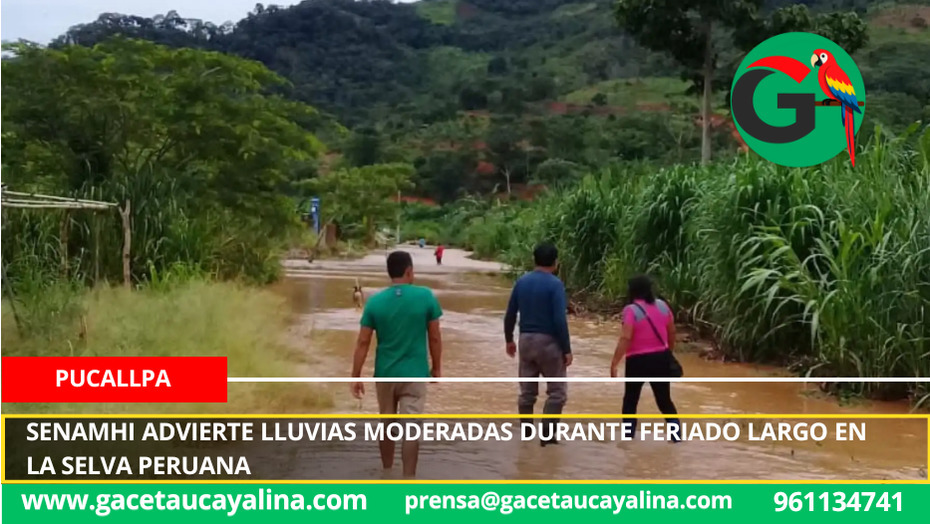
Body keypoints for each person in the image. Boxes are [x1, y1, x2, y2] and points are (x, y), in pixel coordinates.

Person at [351, 251, 443, 477]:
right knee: (412, 427)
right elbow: (434, 337)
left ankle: (387, 472)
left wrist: (355, 375)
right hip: (414, 374)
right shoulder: (426, 297)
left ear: (389, 273)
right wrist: (437, 367)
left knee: (387, 423)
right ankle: (408, 479)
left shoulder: (375, 302)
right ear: (409, 271)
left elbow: (363, 341)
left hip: (385, 373)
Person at [504, 243, 572, 446]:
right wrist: (567, 349)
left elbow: (510, 314)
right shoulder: (555, 284)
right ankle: (547, 437)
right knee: (557, 392)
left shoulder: (522, 282)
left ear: (534, 260)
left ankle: (526, 434)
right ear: (555, 262)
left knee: (527, 392)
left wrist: (509, 339)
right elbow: (559, 319)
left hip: (525, 340)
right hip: (549, 342)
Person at [609, 274, 680, 442]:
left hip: (637, 360)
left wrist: (614, 363)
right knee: (664, 400)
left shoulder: (631, 310)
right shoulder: (663, 306)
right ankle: (677, 438)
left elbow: (626, 337)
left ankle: (628, 438)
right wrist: (668, 352)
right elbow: (672, 332)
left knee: (630, 401)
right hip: (660, 358)